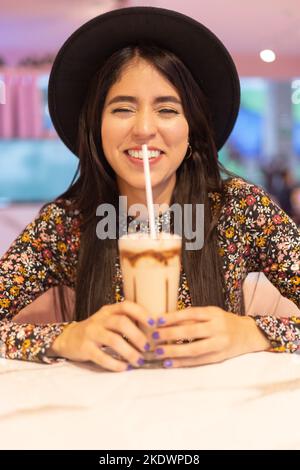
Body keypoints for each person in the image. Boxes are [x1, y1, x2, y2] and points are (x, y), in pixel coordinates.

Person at [0, 7, 299, 371]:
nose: (143, 129)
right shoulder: (66, 223)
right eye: (123, 108)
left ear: (192, 131)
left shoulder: (240, 209)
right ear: (97, 127)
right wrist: (63, 337)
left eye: (168, 110)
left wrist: (251, 332)